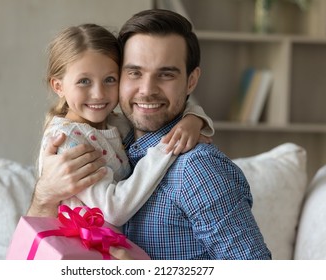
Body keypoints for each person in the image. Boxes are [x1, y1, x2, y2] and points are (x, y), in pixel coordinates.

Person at [29, 9, 272, 260]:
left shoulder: (197, 169)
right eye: (134, 72)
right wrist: (45, 194)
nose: (147, 90)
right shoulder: (113, 140)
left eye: (166, 74)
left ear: (191, 81)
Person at [34, 23, 214, 228]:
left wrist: (192, 120)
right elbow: (113, 208)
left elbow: (183, 105)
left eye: (110, 79)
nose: (99, 93)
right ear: (58, 86)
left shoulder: (113, 124)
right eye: (84, 81)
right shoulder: (68, 140)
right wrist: (168, 148)